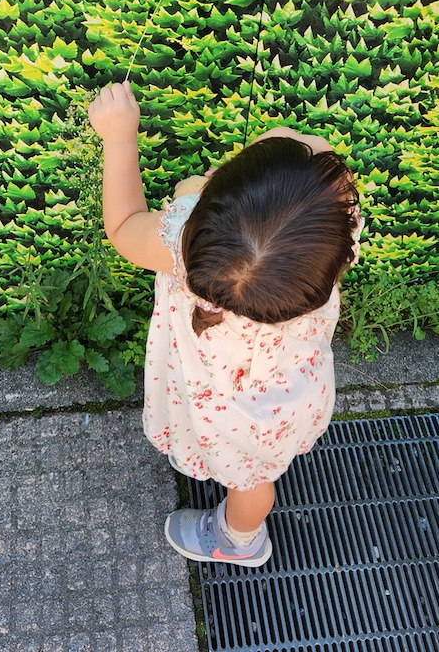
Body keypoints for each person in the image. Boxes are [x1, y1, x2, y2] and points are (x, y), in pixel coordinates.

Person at [88, 81, 363, 568]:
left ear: (198, 231)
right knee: (256, 471)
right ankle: (243, 524)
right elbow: (309, 152)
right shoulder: (336, 230)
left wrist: (119, 137)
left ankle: (240, 540)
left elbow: (125, 222)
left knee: (251, 485)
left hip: (231, 419)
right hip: (291, 397)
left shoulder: (178, 244)